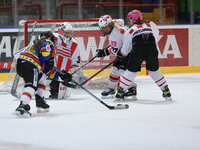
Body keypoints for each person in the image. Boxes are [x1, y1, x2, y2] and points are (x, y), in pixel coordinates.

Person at [115, 10, 172, 100]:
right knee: (154, 71)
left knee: (130, 72)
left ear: (134, 19)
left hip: (138, 49)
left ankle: (120, 92)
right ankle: (166, 90)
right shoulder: (151, 25)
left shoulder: (130, 30)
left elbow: (125, 50)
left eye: (129, 20)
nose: (128, 22)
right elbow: (155, 36)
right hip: (152, 48)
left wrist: (120, 54)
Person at [14, 31, 72, 118]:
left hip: (22, 64)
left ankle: (39, 100)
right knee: (31, 86)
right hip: (30, 64)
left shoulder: (36, 45)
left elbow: (47, 71)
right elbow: (46, 51)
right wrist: (48, 58)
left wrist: (60, 75)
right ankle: (22, 105)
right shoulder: (47, 42)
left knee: (42, 76)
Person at [96, 14, 137, 100]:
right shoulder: (115, 23)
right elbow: (121, 20)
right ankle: (111, 89)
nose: (104, 29)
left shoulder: (115, 35)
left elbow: (114, 51)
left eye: (106, 27)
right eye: (103, 27)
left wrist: (104, 52)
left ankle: (132, 89)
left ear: (110, 24)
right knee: (114, 69)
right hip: (127, 46)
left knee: (122, 70)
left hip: (129, 50)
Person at [49, 22, 88, 99]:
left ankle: (55, 88)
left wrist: (76, 76)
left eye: (70, 33)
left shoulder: (74, 43)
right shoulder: (54, 37)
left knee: (56, 93)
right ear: (61, 31)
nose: (68, 35)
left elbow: (74, 62)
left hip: (63, 74)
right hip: (49, 68)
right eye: (66, 33)